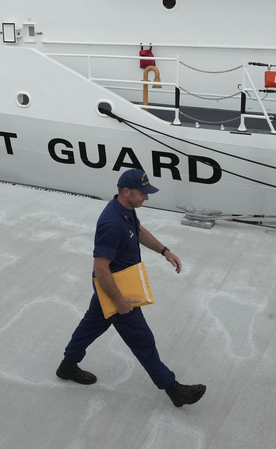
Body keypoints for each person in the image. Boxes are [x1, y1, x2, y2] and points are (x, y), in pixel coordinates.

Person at [56, 169, 206, 407]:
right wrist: (119, 300)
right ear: (126, 192)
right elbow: (101, 268)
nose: (146, 197)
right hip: (116, 289)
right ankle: (173, 389)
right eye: (142, 193)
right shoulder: (111, 223)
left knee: (90, 325)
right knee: (142, 339)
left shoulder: (125, 210)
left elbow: (139, 231)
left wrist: (164, 251)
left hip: (111, 287)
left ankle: (67, 365)